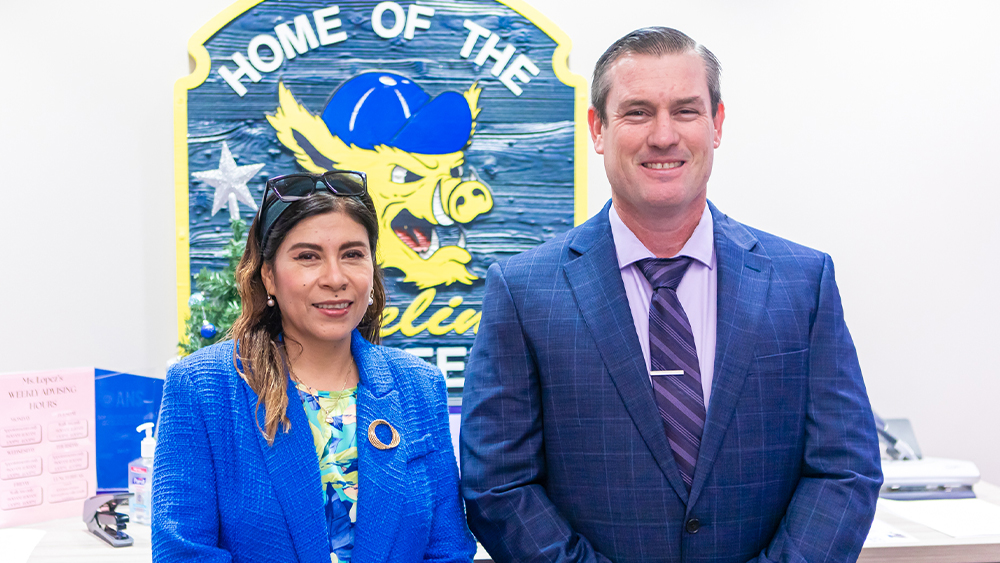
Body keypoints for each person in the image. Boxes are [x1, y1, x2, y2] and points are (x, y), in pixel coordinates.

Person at [460, 27, 882, 563]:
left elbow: (845, 469)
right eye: (637, 112)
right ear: (597, 128)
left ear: (717, 124)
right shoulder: (523, 292)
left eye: (686, 111)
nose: (663, 136)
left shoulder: (803, 281)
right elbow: (499, 486)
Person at [152, 170, 476, 563]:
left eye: (352, 254)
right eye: (308, 257)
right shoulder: (202, 388)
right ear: (268, 275)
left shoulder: (420, 388)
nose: (335, 278)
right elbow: (184, 554)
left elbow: (449, 550)